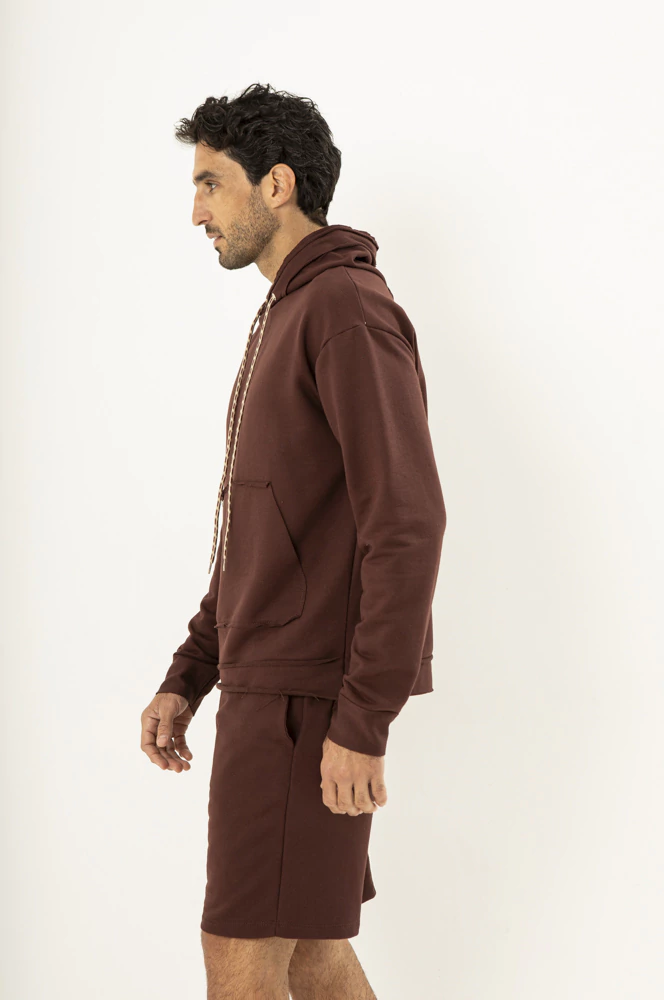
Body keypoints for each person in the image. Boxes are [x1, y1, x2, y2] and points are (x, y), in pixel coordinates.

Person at [139, 82, 447, 1000]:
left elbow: (407, 522)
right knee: (308, 952)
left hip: (303, 703)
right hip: (272, 688)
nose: (196, 212)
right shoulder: (289, 309)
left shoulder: (343, 308)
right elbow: (262, 528)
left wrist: (361, 721)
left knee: (239, 959)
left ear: (275, 185)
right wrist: (190, 670)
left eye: (210, 184)